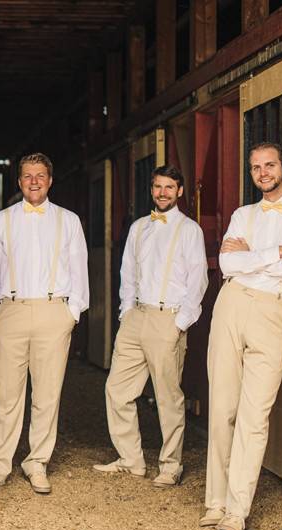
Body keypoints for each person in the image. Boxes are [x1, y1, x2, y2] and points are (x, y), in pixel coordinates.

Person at [202, 142, 282, 530]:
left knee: (255, 415)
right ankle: (214, 502)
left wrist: (251, 255)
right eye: (255, 167)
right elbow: (228, 264)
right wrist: (274, 253)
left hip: (273, 312)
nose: (263, 172)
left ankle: (236, 513)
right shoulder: (242, 214)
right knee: (222, 407)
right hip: (231, 304)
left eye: (270, 165)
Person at [94, 165, 207, 487]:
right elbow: (127, 272)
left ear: (180, 191)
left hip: (167, 319)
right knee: (117, 391)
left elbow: (198, 280)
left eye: (169, 187)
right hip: (136, 318)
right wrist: (126, 312)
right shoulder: (139, 227)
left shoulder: (189, 230)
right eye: (158, 187)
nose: (162, 193)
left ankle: (171, 465)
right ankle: (131, 460)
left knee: (168, 397)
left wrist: (180, 323)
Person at [0, 153, 88, 494]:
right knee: (5, 394)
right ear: (19, 181)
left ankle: (37, 462)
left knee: (46, 394)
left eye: (40, 175)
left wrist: (72, 313)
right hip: (10, 311)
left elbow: (79, 269)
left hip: (53, 311)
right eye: (28, 176)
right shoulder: (0, 220)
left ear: (50, 180)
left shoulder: (68, 220)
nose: (34, 181)